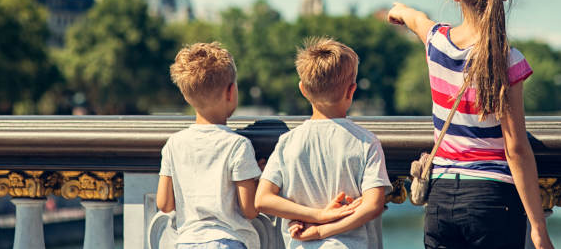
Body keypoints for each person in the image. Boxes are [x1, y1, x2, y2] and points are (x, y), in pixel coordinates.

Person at [387, 0, 554, 249]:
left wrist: (399, 11)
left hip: (440, 201)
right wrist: (538, 226)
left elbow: (416, 20)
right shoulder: (506, 60)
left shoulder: (437, 42)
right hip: (492, 202)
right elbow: (516, 149)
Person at [255, 37, 392, 248]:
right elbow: (374, 204)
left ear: (303, 89)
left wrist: (316, 216)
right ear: (351, 91)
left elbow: (262, 199)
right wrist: (323, 229)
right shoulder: (366, 142)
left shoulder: (287, 142)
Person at [156, 42, 262, 249]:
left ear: (186, 96)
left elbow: (164, 204)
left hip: (186, 242)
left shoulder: (174, 144)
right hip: (227, 241)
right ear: (231, 92)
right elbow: (250, 210)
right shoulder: (237, 145)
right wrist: (260, 178)